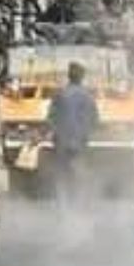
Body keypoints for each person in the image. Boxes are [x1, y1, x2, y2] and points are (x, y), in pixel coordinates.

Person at [43, 62, 99, 206]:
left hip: (62, 141)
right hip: (80, 141)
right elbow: (95, 120)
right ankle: (78, 204)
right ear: (82, 77)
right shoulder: (88, 97)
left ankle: (62, 204)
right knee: (78, 171)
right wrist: (87, 133)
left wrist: (51, 132)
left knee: (61, 173)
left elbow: (50, 118)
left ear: (69, 76)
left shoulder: (60, 95)